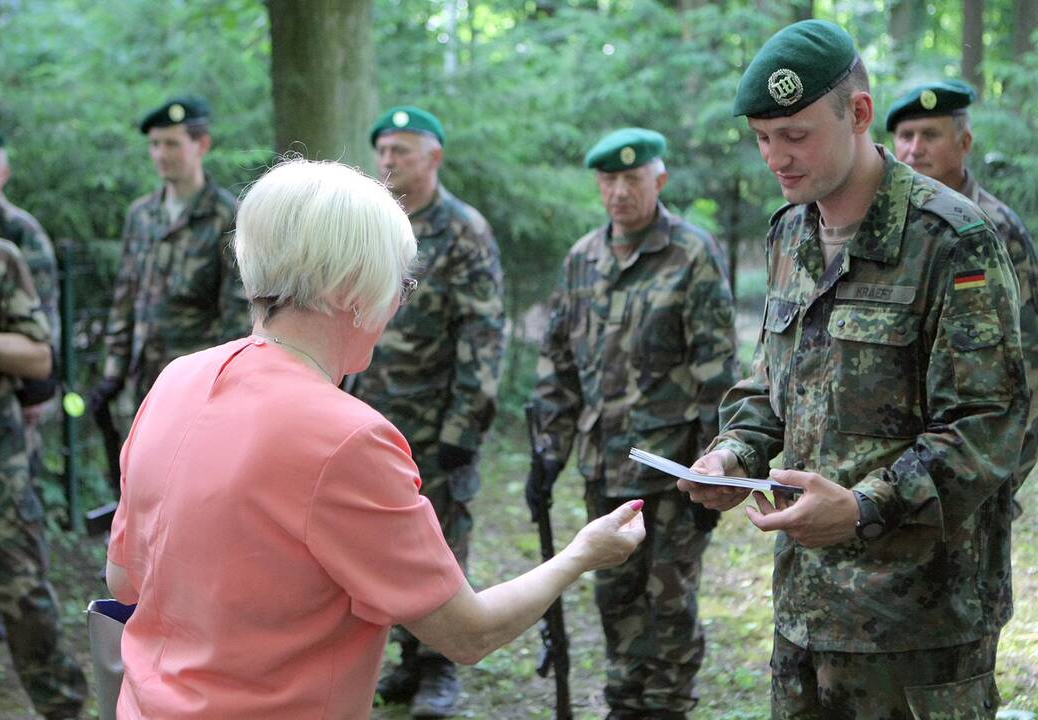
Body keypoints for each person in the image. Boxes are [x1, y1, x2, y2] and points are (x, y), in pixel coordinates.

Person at [103, 158, 645, 720]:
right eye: (399, 281)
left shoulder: (176, 380)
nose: (398, 300)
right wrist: (581, 555)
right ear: (350, 289)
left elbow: (125, 579)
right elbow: (466, 634)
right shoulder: (347, 438)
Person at [678, 20, 1029, 719]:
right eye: (762, 138)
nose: (776, 157)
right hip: (806, 613)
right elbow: (768, 389)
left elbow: (988, 426)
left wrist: (867, 505)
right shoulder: (790, 233)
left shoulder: (950, 240)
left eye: (796, 135)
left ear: (859, 114)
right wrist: (731, 454)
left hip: (918, 623)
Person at [529, 128, 739, 719]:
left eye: (632, 179)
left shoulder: (692, 254)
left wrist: (712, 471)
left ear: (659, 180)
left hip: (673, 473)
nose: (620, 192)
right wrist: (548, 453)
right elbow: (559, 369)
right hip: (603, 468)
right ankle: (625, 703)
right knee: (615, 597)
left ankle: (667, 707)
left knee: (668, 606)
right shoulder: (582, 260)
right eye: (609, 181)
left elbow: (717, 374)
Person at [348, 105, 506, 717]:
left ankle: (440, 668)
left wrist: (465, 426)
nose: (388, 162)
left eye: (402, 152)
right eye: (383, 151)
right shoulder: (369, 226)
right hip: (368, 419)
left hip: (437, 422)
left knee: (441, 544)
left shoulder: (464, 230)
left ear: (433, 157)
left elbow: (484, 333)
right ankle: (406, 661)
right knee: (380, 545)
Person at [886, 80, 1038, 500]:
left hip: (974, 467)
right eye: (905, 136)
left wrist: (1006, 480)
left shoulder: (997, 228)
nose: (914, 149)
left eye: (931, 135)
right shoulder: (887, 228)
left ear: (964, 143)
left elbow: (1032, 358)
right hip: (897, 475)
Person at [89, 96, 247, 419]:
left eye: (172, 144)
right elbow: (125, 299)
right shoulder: (142, 215)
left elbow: (237, 313)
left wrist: (224, 385)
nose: (161, 155)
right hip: (142, 383)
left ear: (201, 144)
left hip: (196, 385)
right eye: (155, 144)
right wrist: (112, 374)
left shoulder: (226, 216)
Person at [0, 238, 87, 719]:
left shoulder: (4, 258)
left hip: (1, 464)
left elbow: (39, 357)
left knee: (24, 594)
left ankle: (63, 711)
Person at [0, 131, 60, 471]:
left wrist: (38, 390)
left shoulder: (20, 232)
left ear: (3, 174)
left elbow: (45, 316)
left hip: (19, 389)